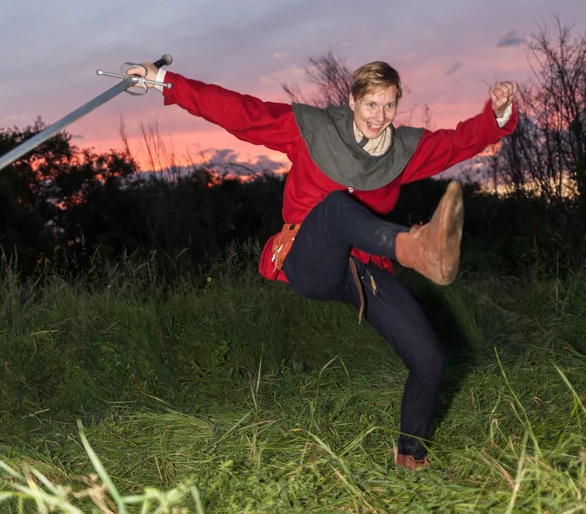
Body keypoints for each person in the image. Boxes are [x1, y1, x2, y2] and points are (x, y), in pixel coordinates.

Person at [129, 60, 518, 470]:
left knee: (429, 359)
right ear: (352, 101)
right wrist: (162, 80)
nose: (379, 116)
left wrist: (498, 114)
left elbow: (457, 142)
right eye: (370, 104)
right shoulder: (312, 128)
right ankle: (414, 247)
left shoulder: (402, 150)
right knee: (335, 207)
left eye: (388, 106)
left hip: (363, 270)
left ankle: (412, 457)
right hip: (308, 257)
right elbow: (240, 111)